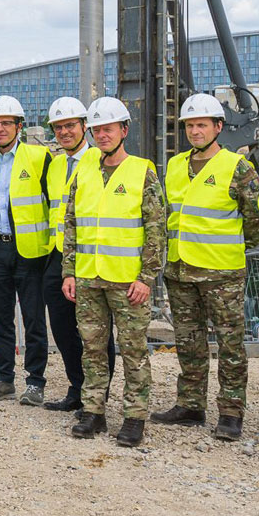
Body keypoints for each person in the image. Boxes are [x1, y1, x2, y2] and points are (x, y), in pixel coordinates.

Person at [153, 94, 259, 440]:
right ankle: (190, 404)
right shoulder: (174, 166)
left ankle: (231, 411)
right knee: (189, 342)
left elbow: (255, 220)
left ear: (218, 126)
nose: (195, 131)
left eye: (202, 124)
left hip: (222, 274)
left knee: (230, 345)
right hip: (180, 269)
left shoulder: (238, 167)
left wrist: (228, 250)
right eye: (190, 125)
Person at [60, 97, 167, 447]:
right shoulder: (85, 172)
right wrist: (69, 271)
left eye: (108, 129)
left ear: (123, 130)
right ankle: (94, 411)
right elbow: (72, 225)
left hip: (127, 281)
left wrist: (146, 277)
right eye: (96, 130)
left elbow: (156, 229)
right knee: (91, 349)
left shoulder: (142, 170)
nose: (102, 135)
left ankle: (134, 416)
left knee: (134, 350)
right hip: (89, 279)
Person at [0, 95, 53, 404]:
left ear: (20, 126)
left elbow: (54, 203)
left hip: (30, 252)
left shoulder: (38, 157)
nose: (0, 129)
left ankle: (35, 382)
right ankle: (3, 379)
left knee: (33, 319)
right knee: (2, 318)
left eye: (7, 123)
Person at [41, 97, 112, 413]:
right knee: (63, 326)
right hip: (59, 255)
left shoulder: (102, 159)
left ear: (85, 126)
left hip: (91, 256)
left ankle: (98, 396)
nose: (64, 132)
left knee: (96, 330)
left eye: (70, 125)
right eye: (58, 127)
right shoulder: (55, 165)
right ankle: (76, 387)